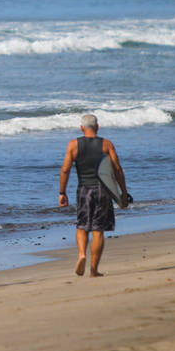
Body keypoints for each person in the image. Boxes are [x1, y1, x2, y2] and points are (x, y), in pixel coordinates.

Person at [58, 114, 128, 277]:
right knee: (98, 230)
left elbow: (65, 170)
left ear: (82, 128)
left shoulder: (73, 145)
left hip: (84, 190)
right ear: (97, 127)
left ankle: (82, 254)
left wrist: (62, 192)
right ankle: (94, 269)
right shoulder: (106, 144)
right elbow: (117, 169)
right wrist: (123, 192)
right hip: (103, 191)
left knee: (82, 226)